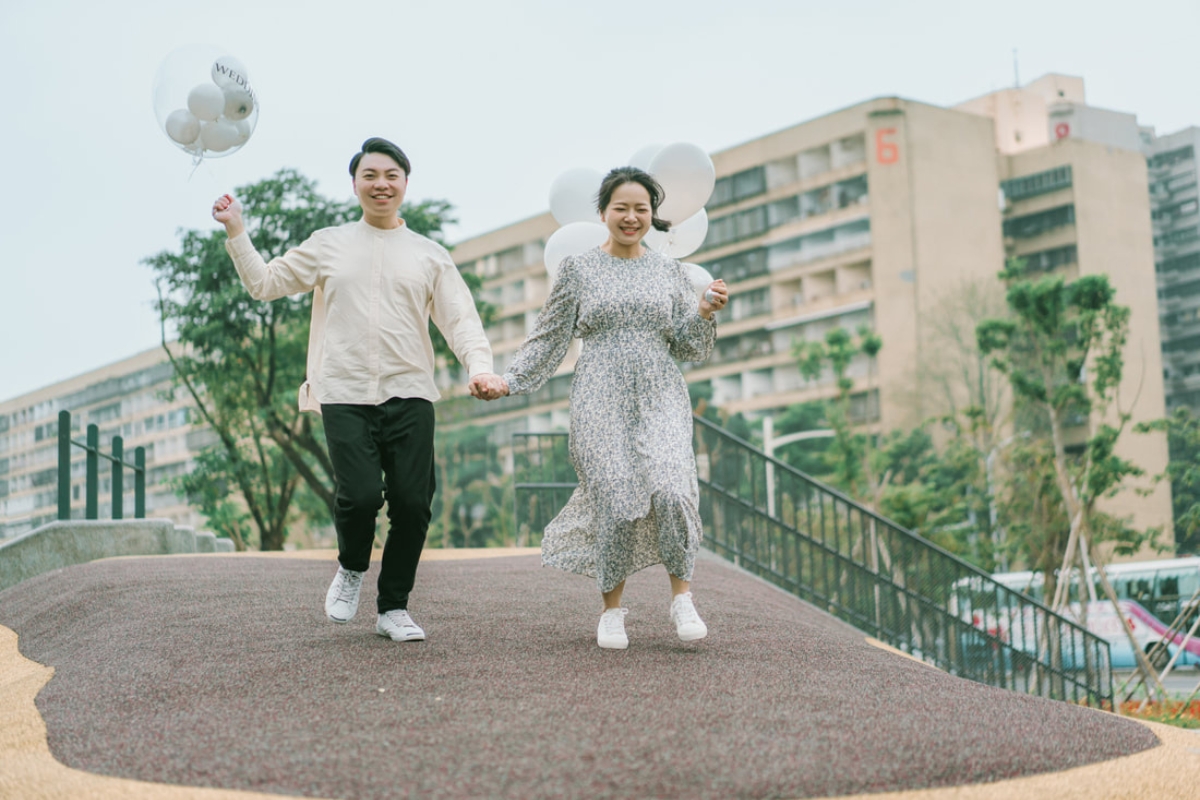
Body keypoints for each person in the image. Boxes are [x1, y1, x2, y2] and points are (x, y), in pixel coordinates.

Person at [211, 137, 506, 642]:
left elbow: (461, 321)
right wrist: (237, 230)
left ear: (405, 184)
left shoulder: (429, 255)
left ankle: (393, 607)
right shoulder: (328, 243)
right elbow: (265, 284)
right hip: (343, 391)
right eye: (370, 175)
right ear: (355, 185)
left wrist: (480, 368)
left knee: (413, 503)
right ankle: (351, 569)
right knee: (361, 495)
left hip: (411, 391)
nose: (381, 184)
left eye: (391, 175)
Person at [477, 167, 728, 649]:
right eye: (622, 208)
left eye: (641, 209)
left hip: (660, 394)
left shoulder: (668, 271)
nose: (631, 217)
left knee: (673, 488)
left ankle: (682, 596)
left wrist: (703, 313)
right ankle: (612, 610)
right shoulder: (578, 270)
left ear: (652, 216)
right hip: (599, 395)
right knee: (614, 497)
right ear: (603, 213)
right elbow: (548, 338)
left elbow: (690, 346)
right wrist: (507, 382)